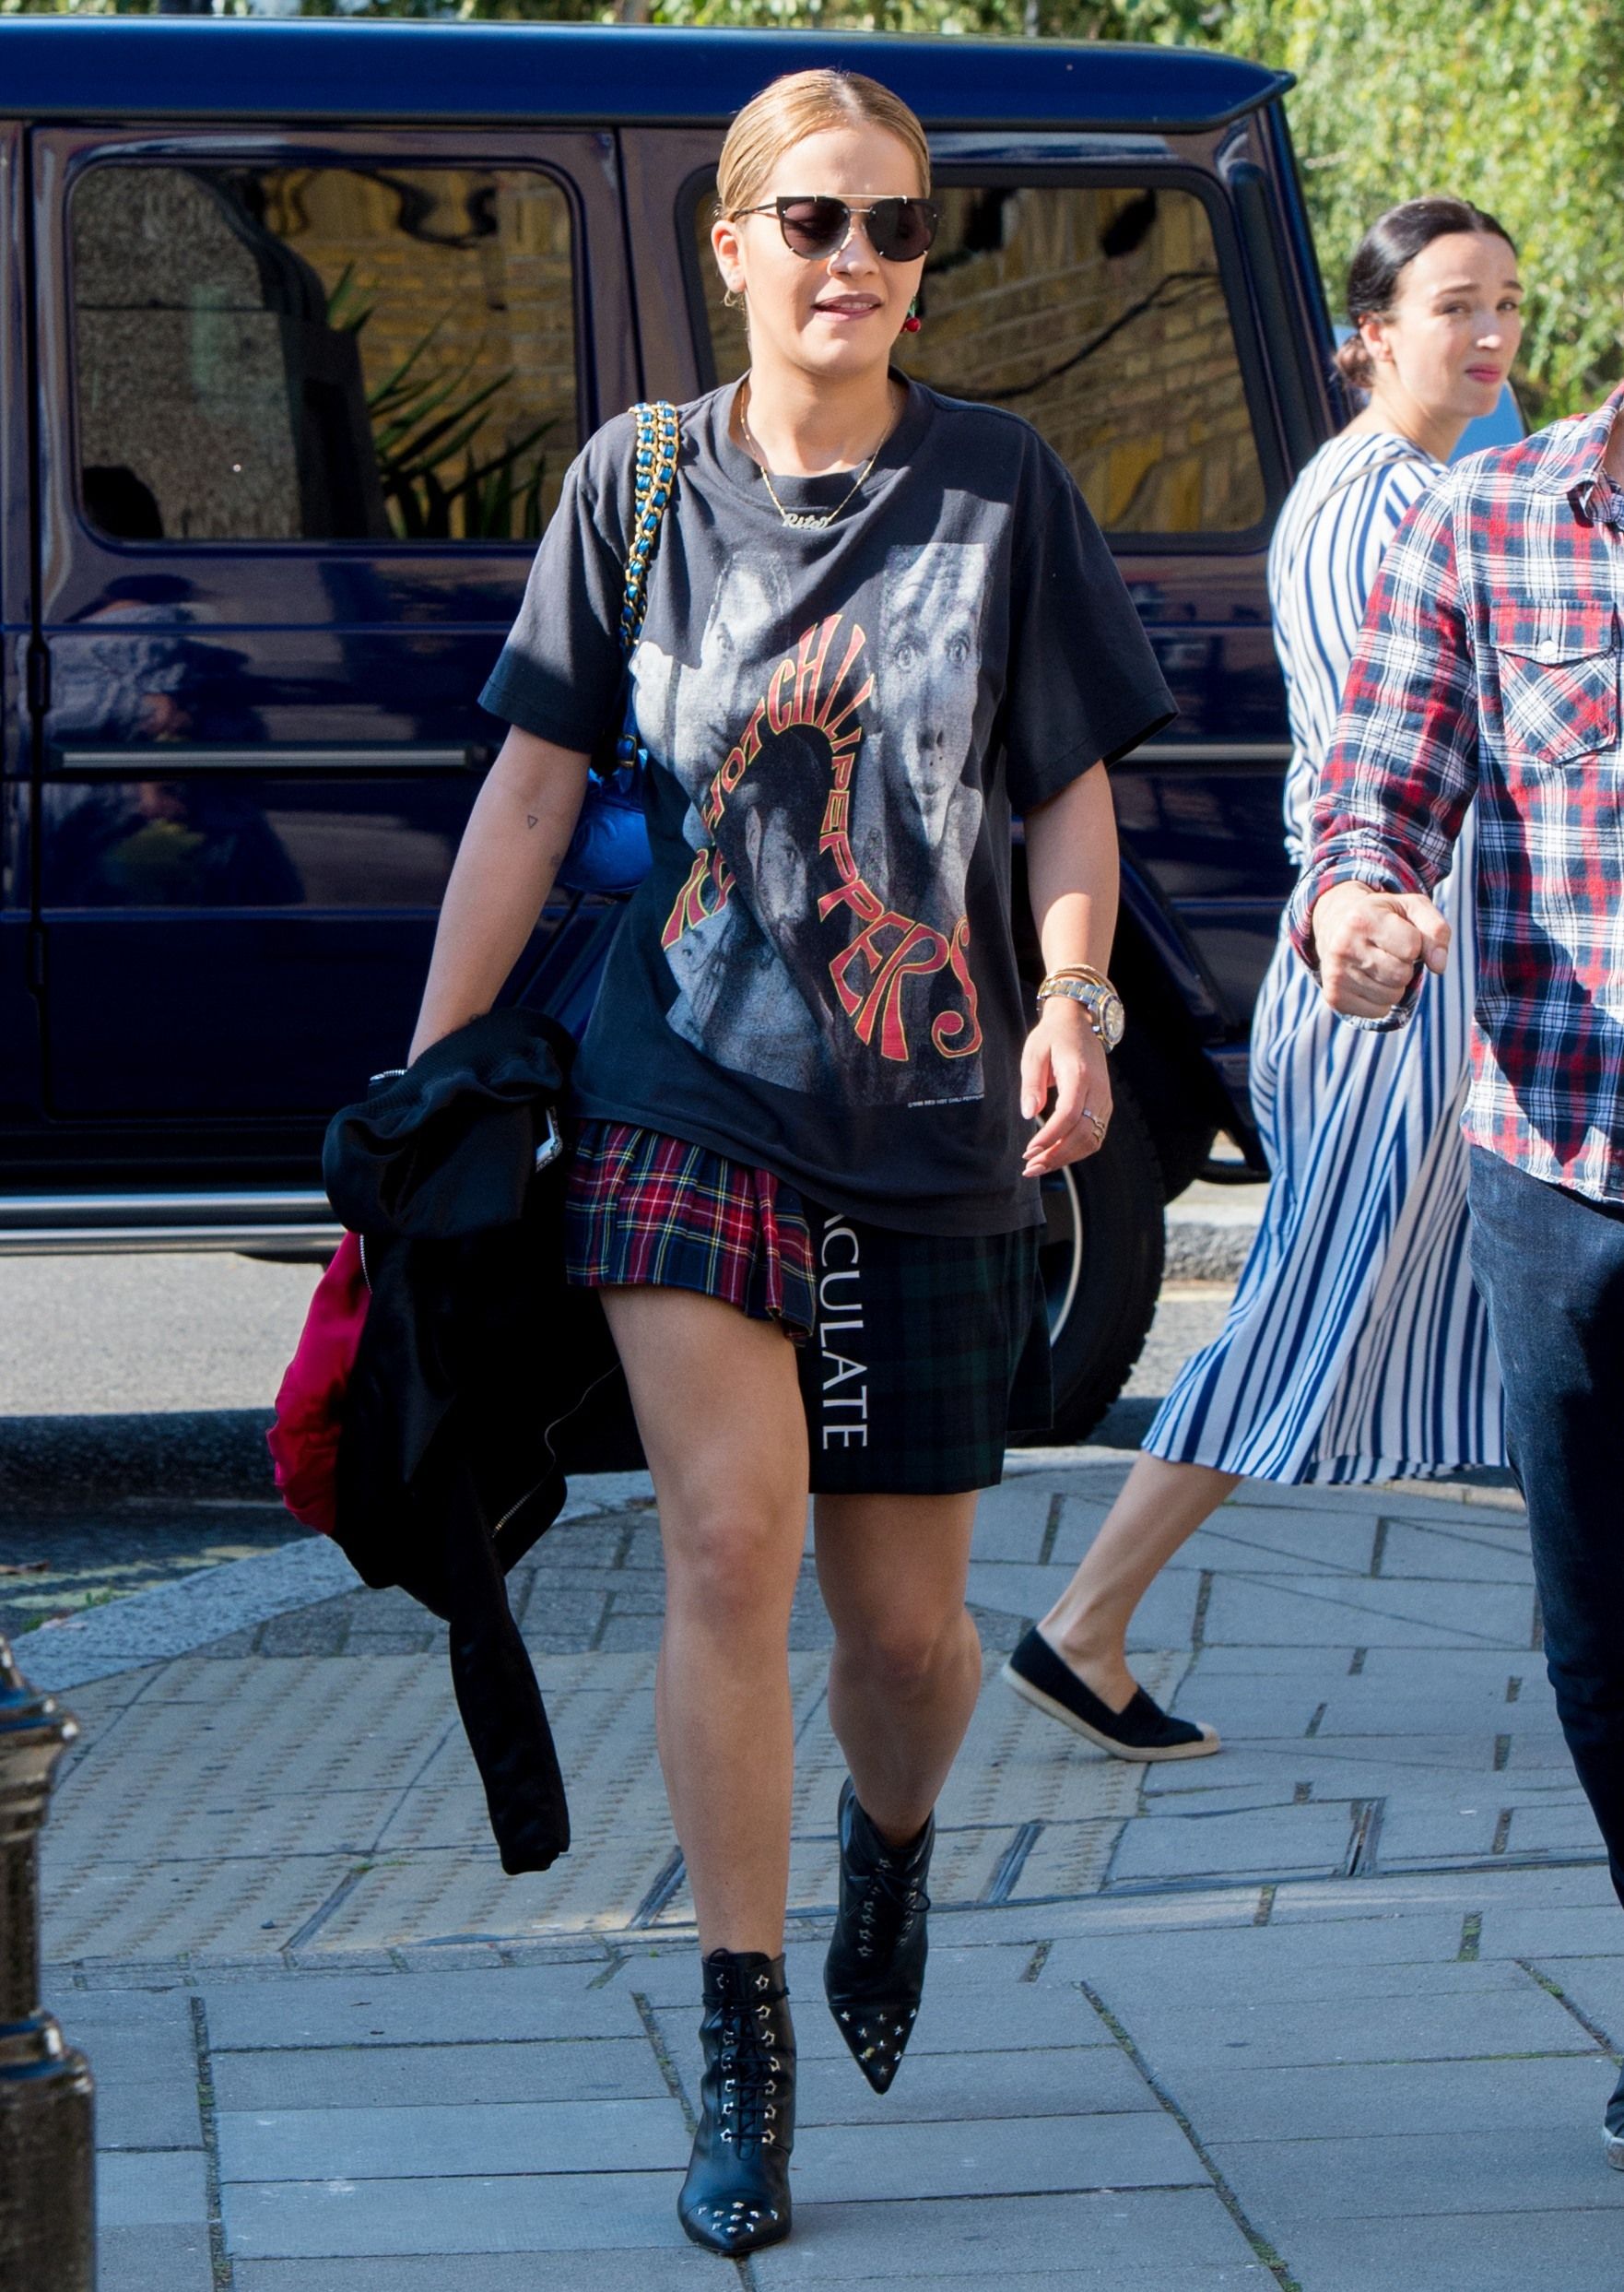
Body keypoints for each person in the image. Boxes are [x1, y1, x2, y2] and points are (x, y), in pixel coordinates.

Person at [406, 68, 1172, 2257]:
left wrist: (1073, 994)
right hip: (681, 1089)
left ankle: (892, 1844)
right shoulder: (635, 483)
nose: (857, 260)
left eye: (896, 227)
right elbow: (531, 789)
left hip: (926, 1117)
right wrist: (428, 1072)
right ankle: (738, 2038)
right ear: (729, 241)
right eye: (816, 219)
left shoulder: (999, 486)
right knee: (728, 1548)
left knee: (906, 1639)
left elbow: (1061, 788)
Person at [1002, 200, 1520, 1760]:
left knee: (1518, 1295)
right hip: (1393, 976)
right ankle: (1083, 1624)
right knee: (1310, 1304)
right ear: (1368, 335)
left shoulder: (1410, 487)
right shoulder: (1388, 504)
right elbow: (1404, 765)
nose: (1490, 333)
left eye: (1505, 301)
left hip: (1424, 970)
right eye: (1452, 305)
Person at [1295, 359, 1624, 2175]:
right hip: (1561, 1158)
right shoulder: (1490, 520)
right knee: (1600, 1636)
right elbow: (1376, 791)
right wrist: (1355, 910)